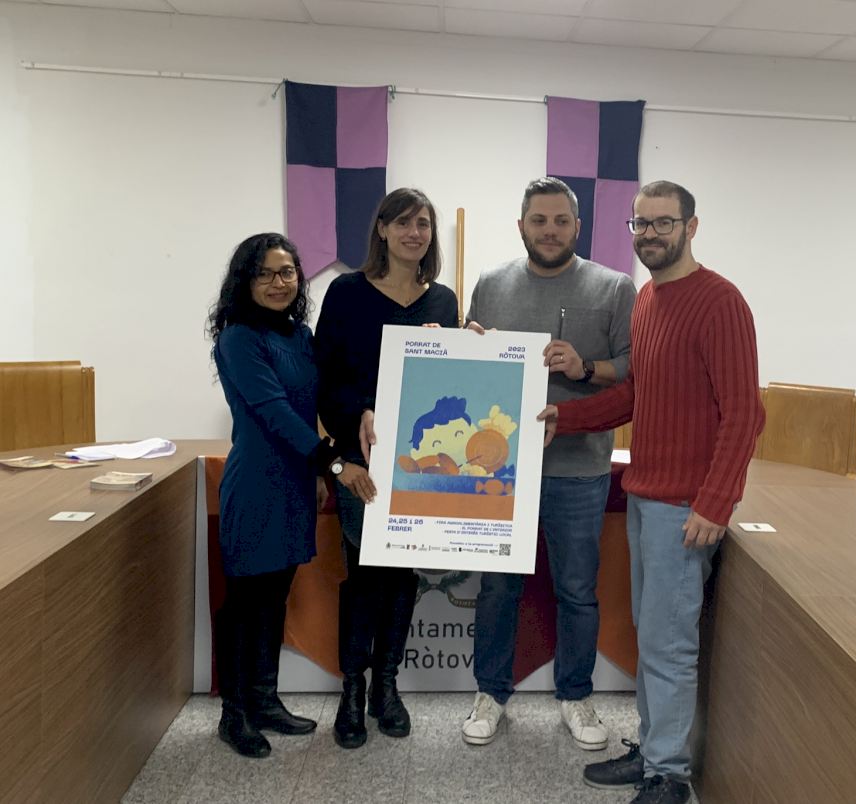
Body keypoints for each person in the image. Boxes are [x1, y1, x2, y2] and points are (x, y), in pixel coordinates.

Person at [538, 181, 765, 804]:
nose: (651, 234)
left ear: (691, 227)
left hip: (683, 507)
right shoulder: (647, 299)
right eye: (641, 224)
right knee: (652, 633)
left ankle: (669, 774)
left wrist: (715, 502)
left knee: (668, 643)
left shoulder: (721, 302)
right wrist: (568, 418)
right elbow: (641, 394)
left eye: (664, 223)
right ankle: (654, 751)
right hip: (645, 496)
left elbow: (745, 413)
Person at [460, 176, 636, 750]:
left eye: (561, 221)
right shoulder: (491, 283)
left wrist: (585, 368)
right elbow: (473, 366)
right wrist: (468, 347)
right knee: (497, 589)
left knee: (577, 590)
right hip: (501, 472)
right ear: (521, 225)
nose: (550, 230)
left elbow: (633, 371)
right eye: (539, 220)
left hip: (578, 469)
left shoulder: (615, 287)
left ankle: (576, 696)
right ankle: (490, 693)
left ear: (578, 227)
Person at [315, 188, 459, 749]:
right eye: (402, 222)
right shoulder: (346, 292)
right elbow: (325, 381)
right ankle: (352, 690)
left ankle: (387, 687)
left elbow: (450, 389)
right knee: (365, 574)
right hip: (361, 463)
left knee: (402, 576)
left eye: (422, 223)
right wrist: (360, 414)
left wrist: (461, 348)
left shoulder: (442, 301)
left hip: (419, 466)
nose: (413, 233)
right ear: (381, 229)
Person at [208, 232, 344, 758]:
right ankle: (234, 714)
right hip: (256, 484)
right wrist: (331, 462)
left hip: (295, 485)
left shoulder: (300, 335)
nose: (277, 282)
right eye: (264, 273)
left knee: (274, 599)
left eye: (286, 272)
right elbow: (274, 412)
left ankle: (264, 700)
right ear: (245, 281)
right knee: (245, 603)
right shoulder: (238, 338)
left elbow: (319, 400)